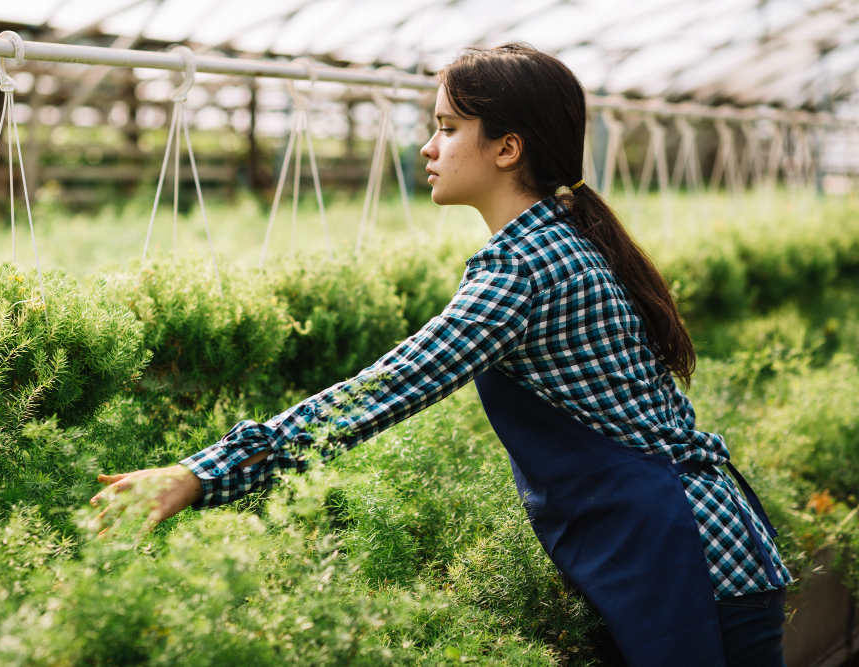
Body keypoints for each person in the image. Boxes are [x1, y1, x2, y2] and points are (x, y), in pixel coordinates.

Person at [91, 44, 790, 667]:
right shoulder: (563, 236)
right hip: (705, 542)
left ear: (506, 148)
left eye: (447, 129)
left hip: (690, 559)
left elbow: (383, 391)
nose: (428, 147)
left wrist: (202, 474)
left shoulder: (523, 267)